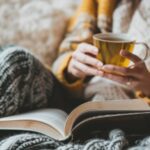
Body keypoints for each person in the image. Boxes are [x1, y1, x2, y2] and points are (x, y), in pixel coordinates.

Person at [0, 0, 150, 149]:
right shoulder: (100, 3)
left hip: (138, 119)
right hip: (72, 100)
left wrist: (147, 86)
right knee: (17, 61)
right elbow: (66, 53)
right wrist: (72, 67)